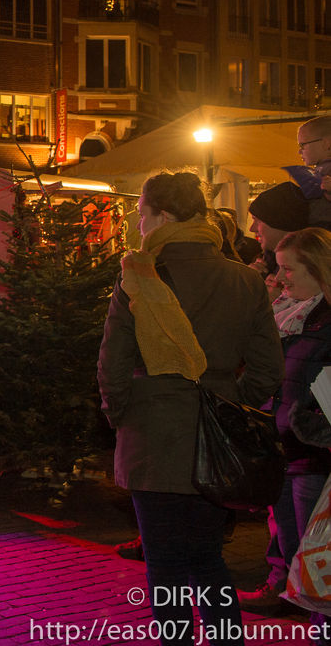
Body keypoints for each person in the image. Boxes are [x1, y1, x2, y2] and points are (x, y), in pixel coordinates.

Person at [97, 172, 283, 646]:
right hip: (218, 432)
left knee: (165, 563)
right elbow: (266, 367)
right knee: (206, 558)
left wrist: (124, 417)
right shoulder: (245, 279)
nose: (138, 223)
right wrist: (231, 404)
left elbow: (112, 364)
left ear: (161, 215)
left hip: (153, 433)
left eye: (141, 213)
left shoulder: (140, 274)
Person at [236, 227, 331, 615]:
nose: (280, 278)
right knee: (290, 540)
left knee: (316, 549)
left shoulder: (324, 322)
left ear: (318, 270)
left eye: (289, 270)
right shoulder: (286, 313)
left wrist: (306, 420)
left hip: (313, 452)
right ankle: (299, 608)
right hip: (281, 444)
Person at [248, 181, 310, 297]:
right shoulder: (266, 262)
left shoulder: (309, 270)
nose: (252, 228)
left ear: (279, 222)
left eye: (257, 220)